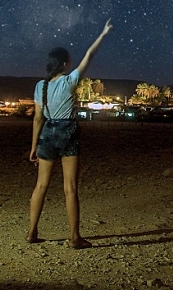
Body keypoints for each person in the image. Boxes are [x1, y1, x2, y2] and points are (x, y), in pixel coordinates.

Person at [27, 19, 114, 249]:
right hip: (68, 132)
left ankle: (31, 232)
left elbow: (38, 118)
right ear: (64, 64)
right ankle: (75, 237)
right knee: (70, 188)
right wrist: (103, 34)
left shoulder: (40, 86)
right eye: (69, 61)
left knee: (41, 186)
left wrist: (33, 146)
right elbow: (90, 55)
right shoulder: (70, 80)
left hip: (47, 133)